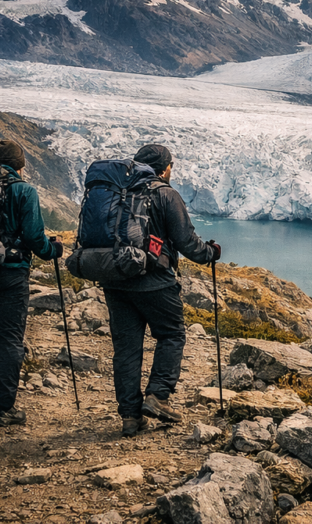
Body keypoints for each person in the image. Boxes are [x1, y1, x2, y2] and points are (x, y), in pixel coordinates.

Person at [100, 143, 220, 437]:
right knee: (171, 334)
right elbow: (186, 241)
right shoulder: (166, 194)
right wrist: (211, 252)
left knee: (126, 348)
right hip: (154, 280)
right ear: (165, 168)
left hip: (115, 278)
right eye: (171, 167)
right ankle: (158, 396)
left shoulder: (117, 191)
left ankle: (130, 416)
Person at [0, 139, 62, 427]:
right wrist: (51, 250)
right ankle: (3, 409)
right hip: (9, 272)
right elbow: (33, 236)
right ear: (21, 165)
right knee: (11, 340)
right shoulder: (23, 190)